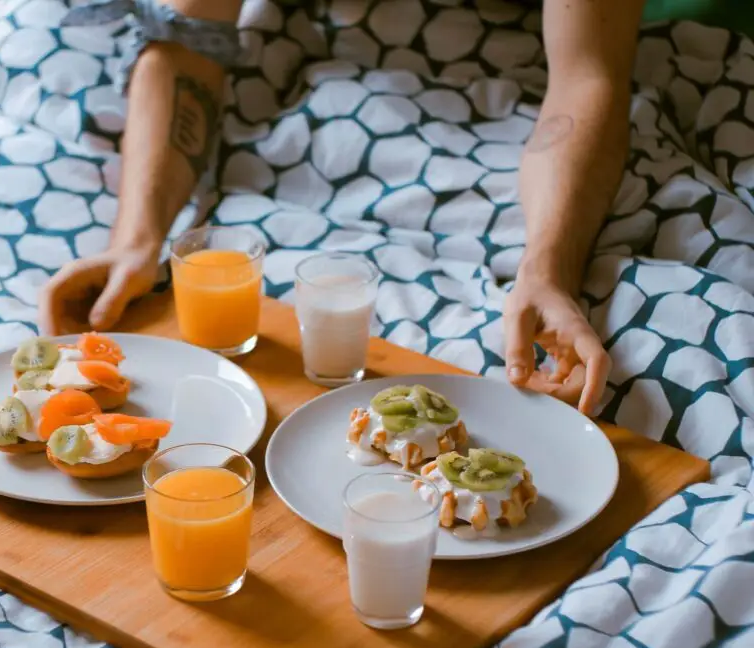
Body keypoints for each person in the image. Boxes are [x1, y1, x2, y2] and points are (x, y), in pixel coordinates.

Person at [38, 0, 650, 418]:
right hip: (283, 57)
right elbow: (185, 38)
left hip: (514, 84)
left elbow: (587, 74)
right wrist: (136, 240)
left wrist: (547, 271)